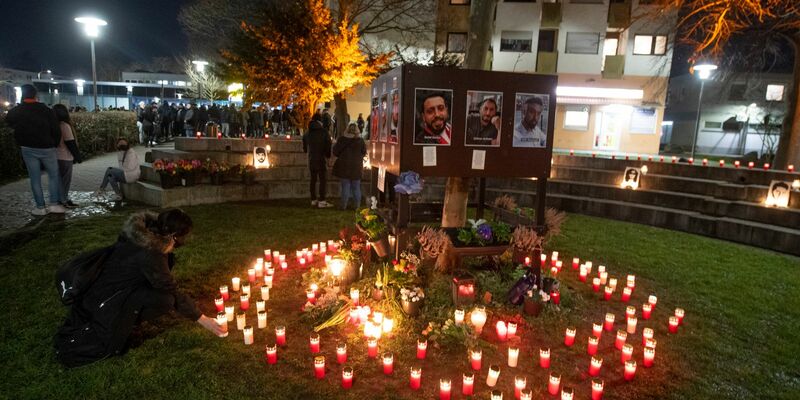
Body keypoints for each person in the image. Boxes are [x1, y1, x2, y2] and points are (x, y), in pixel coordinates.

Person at [54, 209, 227, 367]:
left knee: (161, 296)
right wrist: (203, 319)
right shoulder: (150, 252)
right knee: (166, 300)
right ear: (173, 235)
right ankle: (125, 324)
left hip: (102, 289)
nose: (182, 242)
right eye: (181, 238)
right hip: (108, 299)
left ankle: (129, 320)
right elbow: (170, 289)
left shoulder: (141, 233)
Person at [5, 84, 66, 215]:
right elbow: (56, 130)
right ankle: (54, 205)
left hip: (27, 147)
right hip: (47, 147)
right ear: (35, 95)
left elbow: (9, 122)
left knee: (34, 178)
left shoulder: (17, 111)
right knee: (53, 176)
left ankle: (40, 207)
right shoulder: (46, 110)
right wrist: (54, 144)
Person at [53, 104, 82, 208]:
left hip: (55, 156)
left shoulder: (53, 125)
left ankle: (60, 199)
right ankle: (63, 200)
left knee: (58, 181)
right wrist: (77, 157)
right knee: (65, 181)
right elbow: (70, 143)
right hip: (65, 157)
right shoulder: (64, 126)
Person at [333, 123, 366, 210]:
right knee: (356, 187)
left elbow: (335, 152)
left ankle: (343, 206)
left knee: (345, 186)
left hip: (344, 166)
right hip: (357, 166)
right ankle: (357, 206)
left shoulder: (341, 139)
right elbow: (364, 152)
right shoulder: (360, 141)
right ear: (357, 130)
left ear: (347, 130)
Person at [303, 120, 333, 208]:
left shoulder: (307, 133)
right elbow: (328, 144)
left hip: (311, 159)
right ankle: (322, 200)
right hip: (321, 159)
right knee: (322, 180)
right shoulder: (324, 132)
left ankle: (313, 199)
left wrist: (306, 150)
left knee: (313, 180)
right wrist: (328, 155)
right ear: (320, 123)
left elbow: (304, 146)